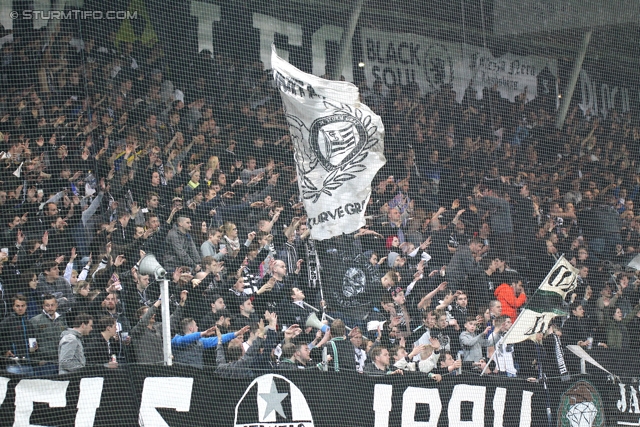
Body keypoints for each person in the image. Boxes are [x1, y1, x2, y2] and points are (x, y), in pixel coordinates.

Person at [171, 318, 248, 368]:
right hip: (181, 376)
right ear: (191, 328)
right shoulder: (177, 339)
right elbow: (184, 340)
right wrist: (202, 333)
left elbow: (218, 339)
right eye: (196, 325)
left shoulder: (201, 341)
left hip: (196, 376)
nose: (197, 327)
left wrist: (236, 333)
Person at [0, 295, 39, 375]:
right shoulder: (6, 323)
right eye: (17, 306)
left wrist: (35, 348)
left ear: (26, 306)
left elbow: (33, 342)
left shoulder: (29, 323)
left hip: (29, 365)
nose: (20, 308)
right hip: (12, 366)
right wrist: (5, 351)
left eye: (23, 306)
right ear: (13, 307)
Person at [30, 294, 69, 369]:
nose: (50, 308)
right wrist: (36, 360)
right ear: (43, 306)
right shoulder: (35, 321)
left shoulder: (62, 320)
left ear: (56, 305)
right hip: (44, 362)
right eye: (47, 305)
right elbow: (32, 341)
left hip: (60, 361)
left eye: (52, 305)